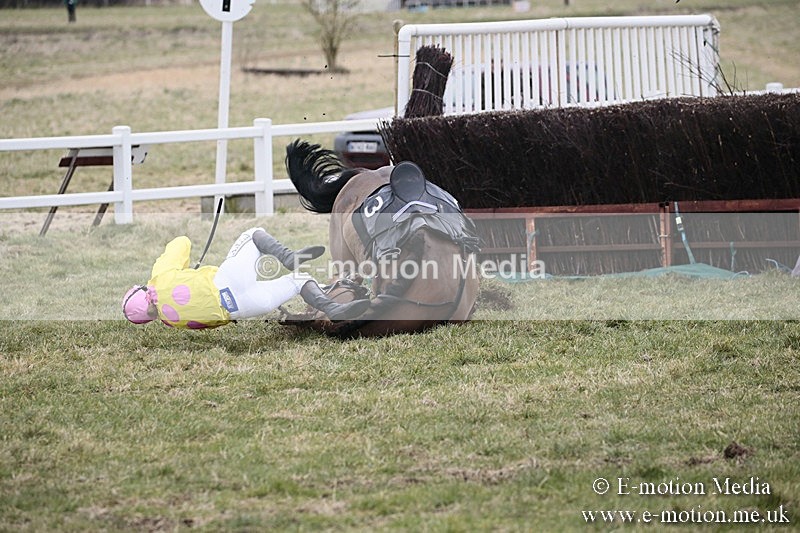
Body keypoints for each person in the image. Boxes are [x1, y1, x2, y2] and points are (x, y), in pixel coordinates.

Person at [122, 227, 369, 328]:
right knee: (253, 233)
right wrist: (185, 268)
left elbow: (214, 322)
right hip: (228, 280)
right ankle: (288, 257)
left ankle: (333, 308)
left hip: (242, 308)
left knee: (298, 281)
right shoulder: (159, 277)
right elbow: (181, 242)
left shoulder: (171, 321)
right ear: (142, 292)